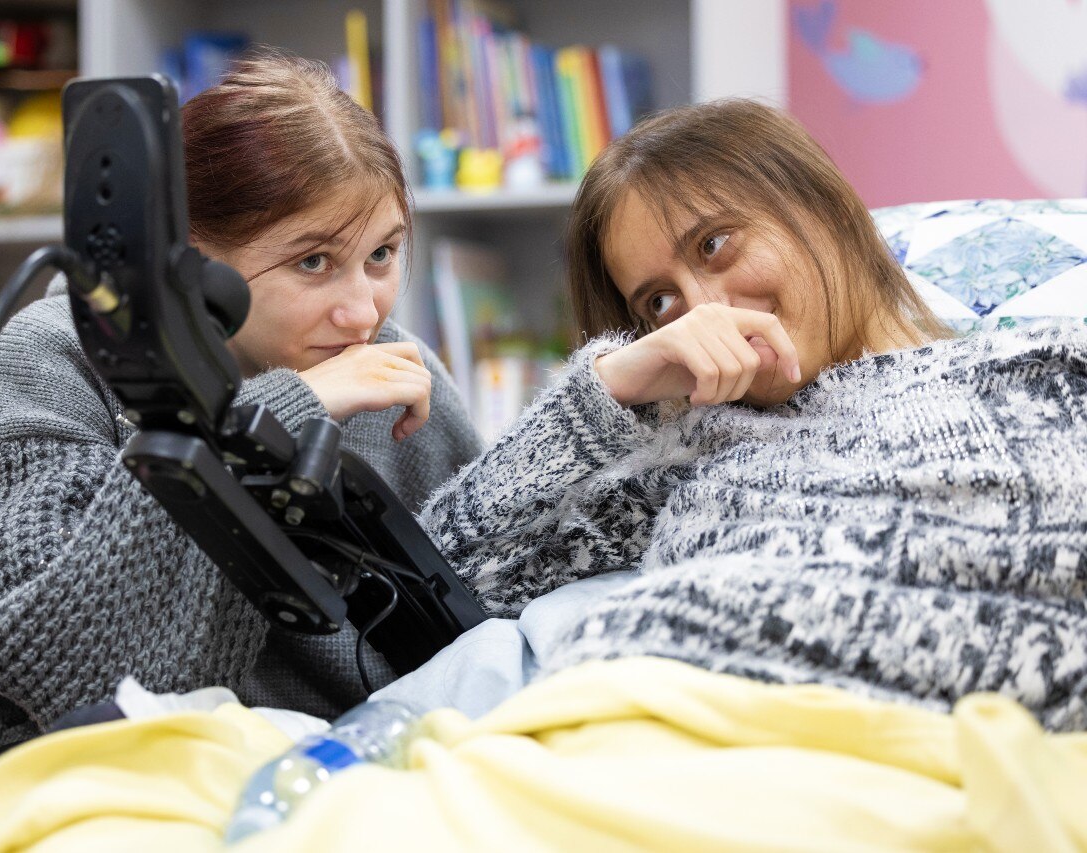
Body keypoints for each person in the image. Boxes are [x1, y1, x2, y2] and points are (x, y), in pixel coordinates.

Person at [0, 52, 482, 848]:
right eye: (313, 262)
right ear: (192, 264)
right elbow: (56, 666)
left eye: (383, 255)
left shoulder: (394, 371)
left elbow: (489, 590)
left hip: (290, 783)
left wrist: (604, 403)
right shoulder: (57, 353)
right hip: (20, 773)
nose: (362, 308)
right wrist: (288, 410)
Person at [420, 98, 1087, 731]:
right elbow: (428, 585)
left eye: (715, 244)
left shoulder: (1045, 367)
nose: (703, 309)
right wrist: (609, 385)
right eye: (658, 302)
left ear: (825, 209)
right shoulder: (693, 453)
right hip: (619, 732)